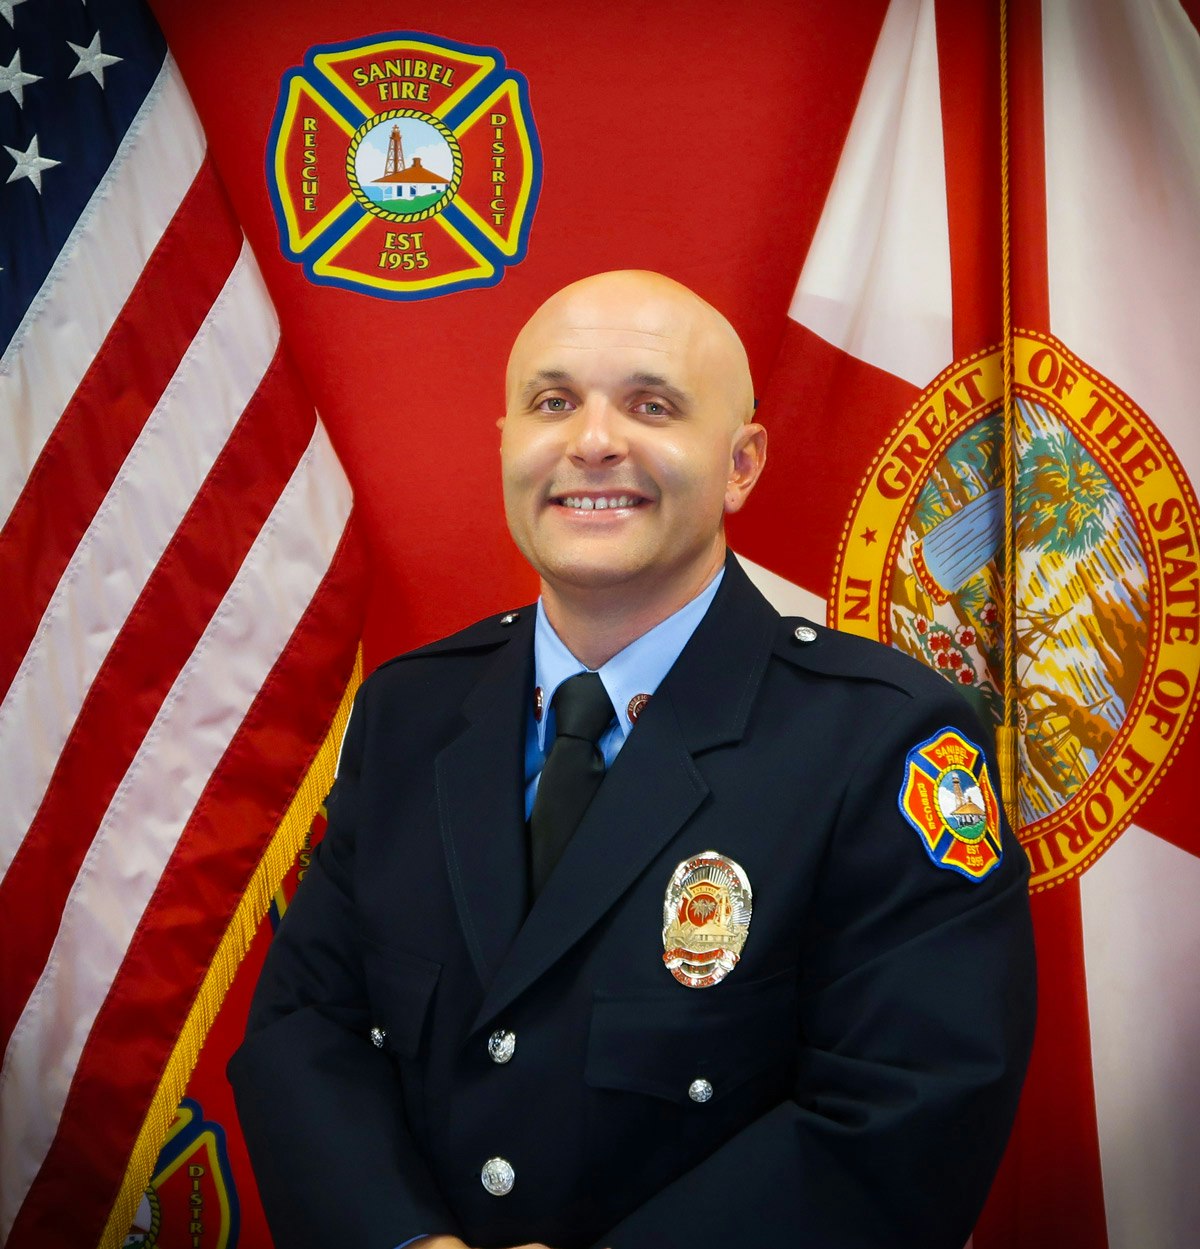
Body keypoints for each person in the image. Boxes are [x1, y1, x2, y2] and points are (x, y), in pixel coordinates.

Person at [229, 270, 1036, 1249]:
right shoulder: (411, 712)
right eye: (553, 402)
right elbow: (305, 1026)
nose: (593, 439)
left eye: (651, 405)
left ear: (740, 464)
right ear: (506, 447)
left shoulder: (880, 741)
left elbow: (907, 1111)